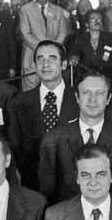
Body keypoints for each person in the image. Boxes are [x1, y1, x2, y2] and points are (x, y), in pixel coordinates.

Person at [37, 73, 112, 204]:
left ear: (109, 98)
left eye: (99, 93)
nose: (93, 99)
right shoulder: (54, 138)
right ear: (77, 97)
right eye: (86, 92)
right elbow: (47, 191)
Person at [7, 40, 79, 191]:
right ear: (35, 65)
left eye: (52, 58)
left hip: (74, 185)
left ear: (64, 64)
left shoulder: (79, 100)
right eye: (40, 59)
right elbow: (14, 146)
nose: (45, 64)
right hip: (32, 186)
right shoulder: (18, 103)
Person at [17, 0, 72, 90]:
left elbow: (63, 32)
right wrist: (43, 49)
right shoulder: (25, 10)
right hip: (32, 60)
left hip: (53, 60)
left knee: (52, 90)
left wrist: (53, 49)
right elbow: (25, 33)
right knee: (30, 94)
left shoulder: (58, 11)